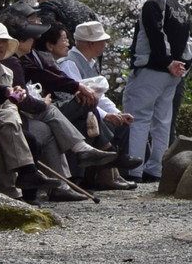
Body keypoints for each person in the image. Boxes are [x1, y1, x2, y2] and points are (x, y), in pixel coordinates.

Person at [0, 23, 81, 200]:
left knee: (15, 130)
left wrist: (9, 92)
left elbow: (4, 97)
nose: (0, 46)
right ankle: (21, 184)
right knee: (16, 135)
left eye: (3, 42)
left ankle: (17, 190)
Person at [121, 0, 192, 183]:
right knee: (162, 119)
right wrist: (183, 65)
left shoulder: (153, 5)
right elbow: (190, 41)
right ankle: (156, 169)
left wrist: (168, 62)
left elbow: (156, 35)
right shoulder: (180, 7)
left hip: (152, 68)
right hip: (173, 74)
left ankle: (133, 168)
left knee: (138, 117)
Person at [56, 21, 135, 190]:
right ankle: (106, 172)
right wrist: (106, 115)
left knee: (123, 125)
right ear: (91, 43)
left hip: (90, 109)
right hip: (75, 111)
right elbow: (80, 99)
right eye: (102, 41)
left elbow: (100, 96)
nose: (105, 45)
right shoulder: (70, 63)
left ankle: (113, 173)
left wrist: (116, 113)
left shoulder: (90, 62)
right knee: (97, 122)